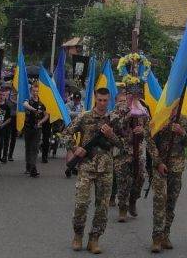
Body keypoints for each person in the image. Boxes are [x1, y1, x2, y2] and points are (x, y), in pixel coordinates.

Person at [63, 87, 124, 254]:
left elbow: (123, 144)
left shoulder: (114, 120)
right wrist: (75, 148)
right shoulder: (84, 116)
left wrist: (111, 134)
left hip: (106, 169)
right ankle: (78, 235)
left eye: (105, 100)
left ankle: (94, 239)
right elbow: (66, 133)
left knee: (102, 207)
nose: (103, 103)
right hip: (86, 167)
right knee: (81, 203)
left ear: (109, 100)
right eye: (100, 100)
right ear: (95, 99)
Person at [147, 103, 187, 253]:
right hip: (160, 167)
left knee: (171, 202)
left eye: (177, 106)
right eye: (171, 106)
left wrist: (182, 133)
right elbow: (150, 143)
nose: (174, 109)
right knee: (160, 201)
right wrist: (158, 162)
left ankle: (165, 234)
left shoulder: (185, 121)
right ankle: (156, 237)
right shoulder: (158, 118)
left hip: (176, 167)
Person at [110, 90, 148, 223]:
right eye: (122, 100)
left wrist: (143, 131)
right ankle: (122, 208)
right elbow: (116, 125)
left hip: (138, 151)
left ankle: (133, 200)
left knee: (141, 178)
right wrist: (128, 114)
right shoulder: (117, 110)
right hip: (123, 151)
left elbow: (150, 127)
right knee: (122, 181)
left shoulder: (142, 108)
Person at [23, 81, 48, 177]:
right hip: (28, 127)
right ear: (31, 91)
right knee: (28, 147)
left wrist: (41, 122)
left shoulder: (42, 103)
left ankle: (33, 167)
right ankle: (28, 165)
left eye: (37, 91)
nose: (35, 93)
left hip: (37, 128)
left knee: (35, 148)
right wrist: (33, 110)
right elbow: (25, 105)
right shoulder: (28, 100)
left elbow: (46, 115)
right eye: (34, 91)